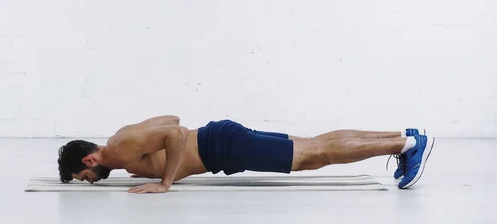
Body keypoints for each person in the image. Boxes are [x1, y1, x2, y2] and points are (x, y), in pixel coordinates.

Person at [57, 115, 434, 193]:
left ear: (88, 162)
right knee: (314, 144)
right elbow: (171, 118)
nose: (90, 181)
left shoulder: (121, 148)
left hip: (223, 146)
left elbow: (174, 130)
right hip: (222, 140)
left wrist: (166, 181)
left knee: (314, 154)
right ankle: (403, 136)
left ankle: (410, 146)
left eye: (83, 178)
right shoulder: (122, 139)